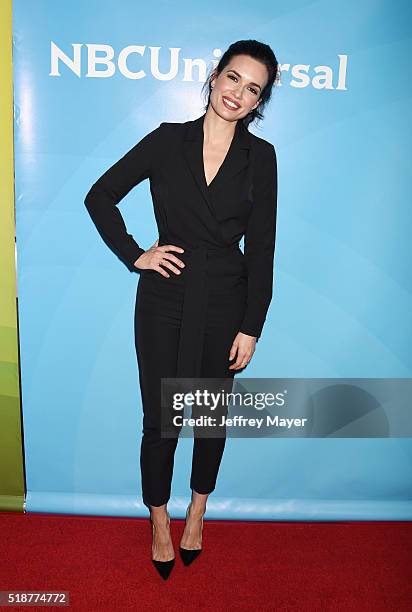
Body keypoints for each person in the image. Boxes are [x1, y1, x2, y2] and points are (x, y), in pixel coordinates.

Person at [84, 39, 280, 580]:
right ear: (215, 76)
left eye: (253, 89)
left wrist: (252, 325)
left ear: (258, 101)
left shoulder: (260, 158)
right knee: (162, 422)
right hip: (164, 300)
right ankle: (158, 518)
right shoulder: (167, 142)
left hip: (226, 301)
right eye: (234, 78)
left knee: (210, 419)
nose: (238, 93)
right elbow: (100, 196)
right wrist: (136, 255)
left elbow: (262, 245)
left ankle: (197, 511)